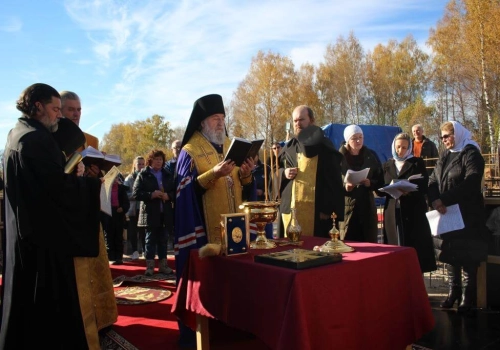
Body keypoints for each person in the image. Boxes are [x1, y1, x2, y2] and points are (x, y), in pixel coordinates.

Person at [0, 83, 102, 348]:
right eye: (55, 109)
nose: (59, 115)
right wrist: (88, 184)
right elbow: (57, 191)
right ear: (37, 107)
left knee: (22, 307)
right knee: (45, 310)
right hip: (43, 241)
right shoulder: (37, 140)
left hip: (24, 233)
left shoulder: (17, 132)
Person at [174, 93, 255, 346]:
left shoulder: (232, 145)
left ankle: (234, 331)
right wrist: (214, 173)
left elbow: (242, 187)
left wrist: (247, 175)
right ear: (201, 122)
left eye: (222, 118)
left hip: (236, 233)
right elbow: (185, 193)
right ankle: (204, 336)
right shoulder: (189, 151)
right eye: (214, 118)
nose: (220, 123)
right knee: (210, 291)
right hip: (206, 236)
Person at [60, 90, 118, 339]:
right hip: (67, 212)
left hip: (89, 208)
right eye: (70, 109)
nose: (75, 114)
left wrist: (96, 173)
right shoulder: (52, 138)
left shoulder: (91, 139)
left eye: (79, 109)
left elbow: (99, 176)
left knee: (97, 262)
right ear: (59, 110)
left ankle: (102, 318)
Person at [429, 121, 488, 314]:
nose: (444, 140)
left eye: (447, 136)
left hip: (466, 213)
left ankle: (468, 296)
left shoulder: (471, 153)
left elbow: (471, 182)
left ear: (458, 134)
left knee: (467, 255)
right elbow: (433, 179)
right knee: (450, 253)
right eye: (442, 137)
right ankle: (453, 291)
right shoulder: (445, 155)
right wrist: (434, 199)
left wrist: (443, 199)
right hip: (446, 213)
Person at [279, 105, 344, 238]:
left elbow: (333, 181)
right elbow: (275, 170)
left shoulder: (325, 146)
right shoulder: (288, 147)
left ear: (312, 120)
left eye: (301, 119)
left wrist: (327, 210)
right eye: (295, 121)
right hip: (291, 211)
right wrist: (284, 173)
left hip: (317, 213)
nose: (298, 124)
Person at [376, 132, 436, 273]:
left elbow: (424, 185)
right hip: (392, 211)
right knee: (394, 245)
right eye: (398, 147)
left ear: (409, 147)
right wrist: (386, 189)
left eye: (404, 147)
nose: (400, 150)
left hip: (413, 212)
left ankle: (416, 281)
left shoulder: (416, 163)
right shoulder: (387, 165)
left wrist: (409, 189)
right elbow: (379, 188)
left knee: (413, 247)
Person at [339, 124, 384, 243]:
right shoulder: (338, 157)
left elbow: (380, 179)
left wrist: (371, 183)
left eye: (361, 137)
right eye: (354, 138)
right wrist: (345, 187)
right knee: (348, 243)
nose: (358, 141)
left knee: (368, 243)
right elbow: (331, 182)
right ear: (347, 140)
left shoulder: (371, 156)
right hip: (347, 208)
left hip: (367, 207)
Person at [133, 149, 175, 276]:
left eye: (161, 159)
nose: (159, 162)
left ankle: (163, 266)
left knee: (163, 239)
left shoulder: (167, 174)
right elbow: (136, 193)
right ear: (150, 161)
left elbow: (175, 191)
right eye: (156, 159)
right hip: (150, 214)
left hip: (165, 213)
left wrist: (169, 196)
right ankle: (150, 267)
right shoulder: (143, 174)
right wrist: (151, 195)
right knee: (150, 240)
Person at [102, 175, 130, 265]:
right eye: (112, 178)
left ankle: (119, 257)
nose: (114, 180)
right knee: (109, 236)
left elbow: (126, 202)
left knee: (118, 236)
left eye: (116, 178)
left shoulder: (121, 189)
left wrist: (122, 208)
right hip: (108, 214)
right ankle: (111, 257)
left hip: (118, 214)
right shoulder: (104, 188)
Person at [124, 156, 146, 259]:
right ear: (134, 165)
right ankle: (134, 251)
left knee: (144, 230)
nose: (141, 166)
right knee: (133, 231)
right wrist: (135, 195)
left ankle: (146, 250)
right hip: (133, 208)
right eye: (139, 164)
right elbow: (125, 194)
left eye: (142, 164)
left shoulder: (147, 177)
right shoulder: (129, 178)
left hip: (144, 208)